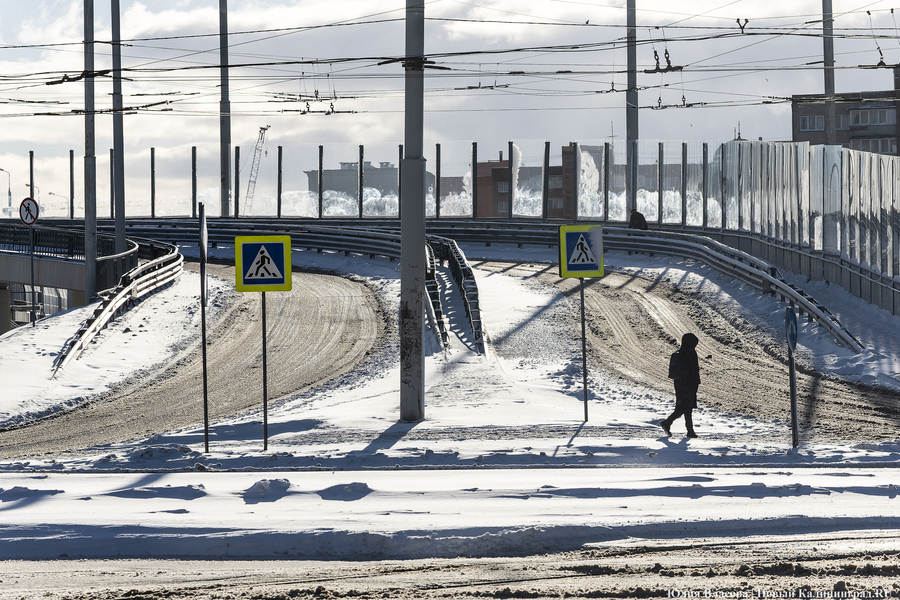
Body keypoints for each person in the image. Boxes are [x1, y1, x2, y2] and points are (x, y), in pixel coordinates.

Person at [660, 332, 701, 438]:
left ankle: (690, 431)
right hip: (689, 383)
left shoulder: (681, 352)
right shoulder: (690, 353)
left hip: (679, 383)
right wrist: (696, 382)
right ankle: (667, 423)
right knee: (684, 407)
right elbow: (694, 370)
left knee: (686, 407)